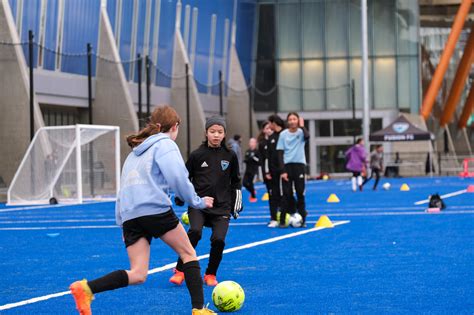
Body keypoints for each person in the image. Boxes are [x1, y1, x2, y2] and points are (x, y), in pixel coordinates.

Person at [69, 106, 216, 315]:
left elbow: (124, 189)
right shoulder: (166, 144)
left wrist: (122, 223)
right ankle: (199, 310)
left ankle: (86, 288)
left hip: (130, 215)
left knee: (138, 274)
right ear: (174, 127)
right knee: (188, 253)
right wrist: (197, 201)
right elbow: (178, 178)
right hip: (154, 209)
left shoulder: (134, 154)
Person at [169, 116, 242, 287]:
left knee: (219, 240)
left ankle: (210, 273)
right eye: (212, 131)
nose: (216, 135)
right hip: (198, 205)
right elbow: (185, 179)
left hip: (222, 207)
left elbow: (236, 181)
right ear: (206, 133)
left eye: (220, 132)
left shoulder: (230, 156)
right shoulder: (196, 155)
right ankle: (180, 270)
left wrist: (236, 203)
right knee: (195, 232)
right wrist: (180, 197)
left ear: (224, 134)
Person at [277, 112, 309, 227]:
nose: (292, 121)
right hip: (287, 166)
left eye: (294, 119)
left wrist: (302, 126)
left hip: (299, 166)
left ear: (298, 121)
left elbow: (307, 136)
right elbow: (280, 153)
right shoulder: (283, 134)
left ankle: (303, 219)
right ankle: (282, 220)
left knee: (300, 193)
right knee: (286, 194)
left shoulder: (301, 132)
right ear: (287, 121)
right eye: (290, 119)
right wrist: (282, 170)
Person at [264, 114, 285, 228]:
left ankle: (290, 215)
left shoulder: (285, 134)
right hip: (273, 173)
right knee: (274, 195)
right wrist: (267, 172)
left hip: (284, 171)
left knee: (286, 194)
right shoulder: (271, 138)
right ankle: (274, 218)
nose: (269, 126)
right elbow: (268, 157)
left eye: (270, 124)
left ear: (274, 123)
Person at [243, 138, 260, 202]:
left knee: (251, 183)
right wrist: (247, 159)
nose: (251, 144)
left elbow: (259, 161)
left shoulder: (257, 151)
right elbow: (246, 159)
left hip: (254, 170)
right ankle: (252, 191)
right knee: (244, 183)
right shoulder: (247, 151)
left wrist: (253, 157)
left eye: (253, 142)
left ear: (255, 144)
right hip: (247, 170)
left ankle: (253, 196)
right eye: (250, 142)